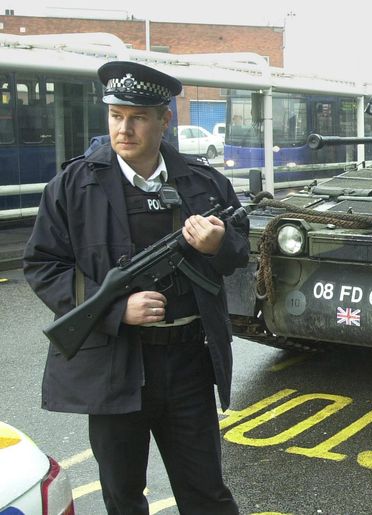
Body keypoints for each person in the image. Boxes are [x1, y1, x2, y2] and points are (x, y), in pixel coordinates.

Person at [23, 61, 249, 515]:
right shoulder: (72, 185)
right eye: (116, 115)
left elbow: (238, 259)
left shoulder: (205, 184)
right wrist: (115, 309)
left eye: (139, 117)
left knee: (206, 493)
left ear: (165, 120)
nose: (124, 128)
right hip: (114, 363)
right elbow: (43, 265)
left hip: (188, 362)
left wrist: (220, 244)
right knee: (123, 497)